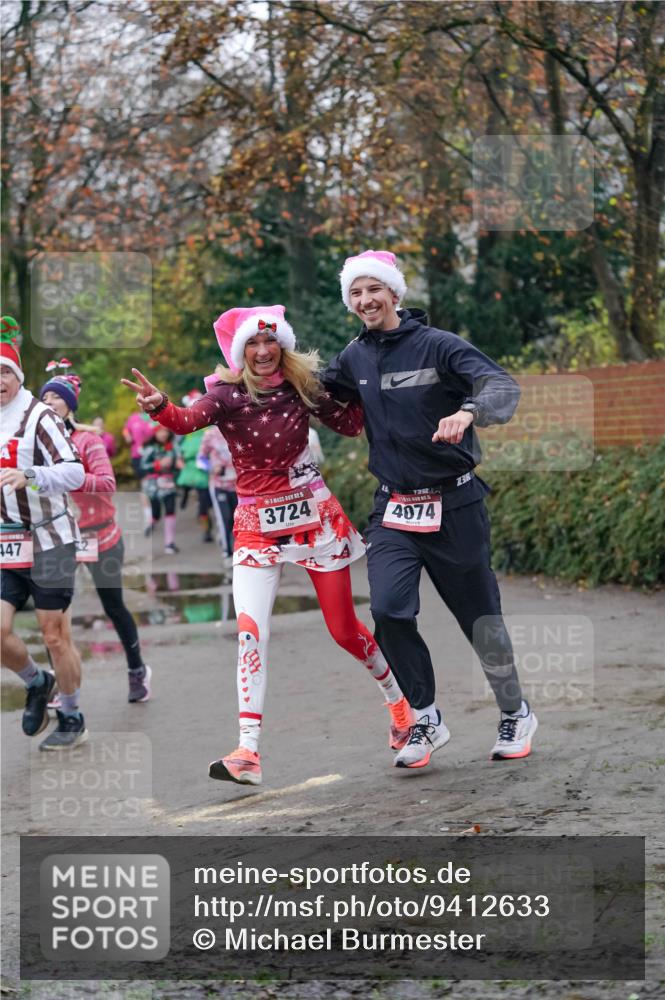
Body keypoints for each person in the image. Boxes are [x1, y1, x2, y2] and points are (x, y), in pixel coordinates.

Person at [122, 304, 414, 786]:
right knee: (250, 635)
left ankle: (399, 705)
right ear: (240, 354)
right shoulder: (227, 396)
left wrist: (374, 383)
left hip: (313, 519)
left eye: (270, 342)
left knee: (343, 629)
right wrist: (157, 404)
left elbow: (350, 423)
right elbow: (184, 420)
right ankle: (248, 752)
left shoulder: (303, 390)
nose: (262, 351)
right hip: (257, 524)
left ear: (282, 346)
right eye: (252, 345)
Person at [321, 250, 538, 768]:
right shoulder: (354, 356)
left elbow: (501, 385)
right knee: (390, 610)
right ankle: (425, 718)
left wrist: (468, 412)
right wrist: (229, 390)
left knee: (480, 619)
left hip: (455, 504)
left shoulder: (437, 345)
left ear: (395, 294)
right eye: (355, 293)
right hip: (394, 508)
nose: (365, 300)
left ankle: (515, 711)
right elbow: (309, 393)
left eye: (374, 289)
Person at [39, 364, 152, 703]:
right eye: (44, 397)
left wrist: (69, 478)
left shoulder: (87, 441)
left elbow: (107, 484)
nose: (49, 402)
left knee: (112, 604)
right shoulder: (39, 446)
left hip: (100, 536)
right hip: (59, 539)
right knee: (53, 615)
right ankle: (62, 684)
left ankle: (137, 670)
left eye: (57, 397)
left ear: (70, 405)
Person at [0, 317, 88, 750]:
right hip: (5, 541)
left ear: (17, 376)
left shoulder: (39, 417)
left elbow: (75, 472)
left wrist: (30, 475)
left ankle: (71, 714)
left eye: (4, 372)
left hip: (51, 537)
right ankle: (38, 682)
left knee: (55, 634)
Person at [177, 390, 214, 542]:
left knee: (207, 503)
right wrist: (179, 459)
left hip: (209, 469)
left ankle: (209, 524)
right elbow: (177, 447)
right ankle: (206, 530)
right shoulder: (185, 428)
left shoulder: (211, 427)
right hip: (192, 468)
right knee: (203, 504)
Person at [197, 421, 237, 561]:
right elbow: (200, 459)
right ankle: (227, 554)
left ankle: (239, 551)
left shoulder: (239, 428)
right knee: (224, 519)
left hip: (239, 486)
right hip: (219, 485)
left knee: (237, 521)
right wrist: (211, 468)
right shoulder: (210, 434)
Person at [140, 424, 181, 555]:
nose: (164, 434)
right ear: (155, 433)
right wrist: (158, 464)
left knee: (170, 510)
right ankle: (150, 524)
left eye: (166, 431)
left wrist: (178, 464)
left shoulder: (173, 447)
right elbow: (142, 466)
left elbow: (177, 462)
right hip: (153, 485)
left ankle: (170, 543)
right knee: (156, 513)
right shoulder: (150, 448)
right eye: (161, 432)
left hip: (169, 483)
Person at [122, 408, 154, 534]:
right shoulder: (133, 417)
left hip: (153, 456)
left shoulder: (155, 417)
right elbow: (125, 430)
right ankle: (148, 519)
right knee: (144, 487)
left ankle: (154, 514)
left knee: (152, 485)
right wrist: (127, 436)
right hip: (137, 456)